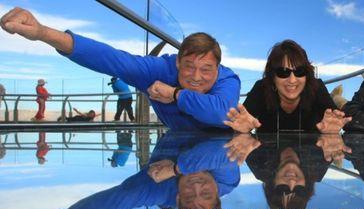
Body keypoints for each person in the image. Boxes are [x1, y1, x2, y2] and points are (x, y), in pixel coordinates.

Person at [0, 131, 240, 209]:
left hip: (176, 135)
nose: (197, 186)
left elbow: (110, 204)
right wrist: (177, 168)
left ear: (178, 198)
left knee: (134, 194)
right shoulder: (228, 179)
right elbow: (222, 148)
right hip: (196, 116)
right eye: (206, 195)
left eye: (189, 197)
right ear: (218, 192)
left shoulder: (160, 189)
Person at [1, 7, 240, 130]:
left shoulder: (228, 80)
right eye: (189, 66)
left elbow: (220, 114)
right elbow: (109, 58)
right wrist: (42, 33)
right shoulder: (157, 71)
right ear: (177, 62)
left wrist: (175, 94)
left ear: (218, 69)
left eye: (206, 69)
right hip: (173, 150)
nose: (196, 77)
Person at [224, 40, 351, 133]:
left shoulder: (316, 87)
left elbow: (336, 121)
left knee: (339, 102)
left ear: (307, 75)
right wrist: (240, 131)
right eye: (283, 72)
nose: (292, 80)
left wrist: (332, 133)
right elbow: (242, 122)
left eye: (300, 72)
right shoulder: (261, 89)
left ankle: (336, 97)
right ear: (272, 76)